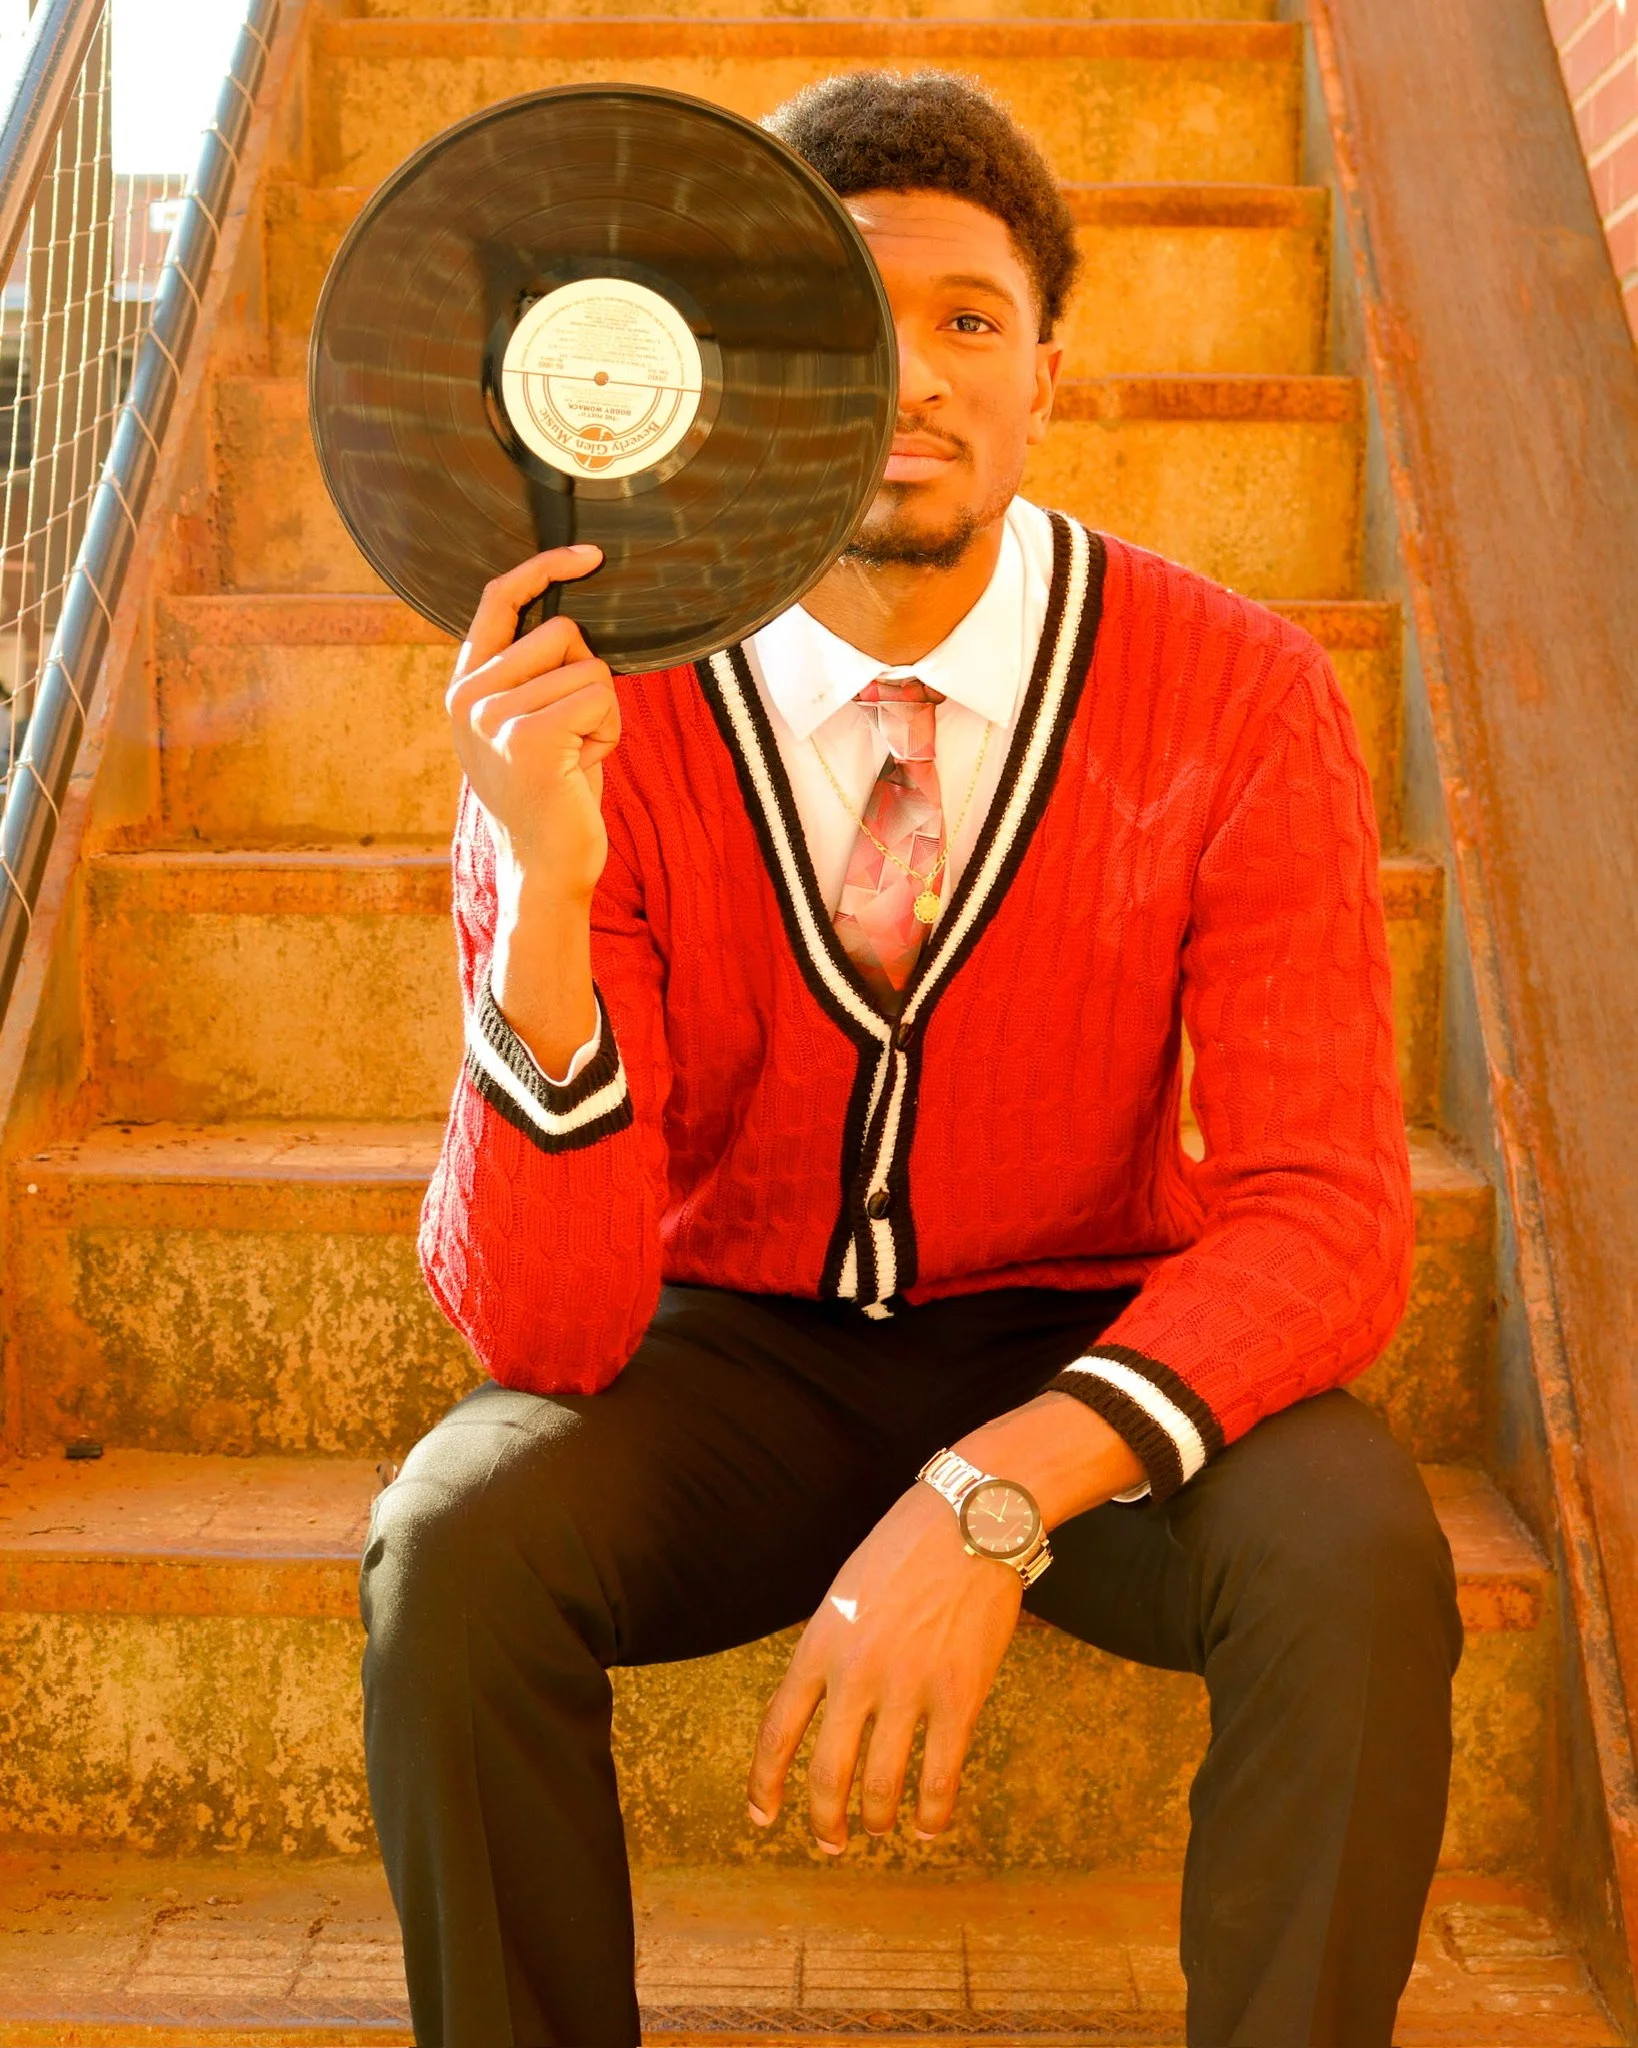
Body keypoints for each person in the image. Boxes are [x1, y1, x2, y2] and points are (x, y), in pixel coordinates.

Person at [360, 69, 1463, 2048]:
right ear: (741, 382)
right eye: (844, 325)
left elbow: (1325, 1213)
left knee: (1357, 1552)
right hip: (728, 1357)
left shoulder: (1240, 690)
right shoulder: (590, 711)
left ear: (1049, 376)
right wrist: (543, 892)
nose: (916, 376)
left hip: (1082, 1344)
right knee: (455, 1540)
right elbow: (542, 1327)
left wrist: (997, 1486)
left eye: (970, 318)